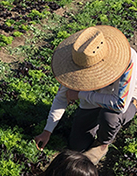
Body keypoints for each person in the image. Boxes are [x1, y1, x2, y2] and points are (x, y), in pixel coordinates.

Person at [34, 26, 137, 164]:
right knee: (77, 146)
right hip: (92, 102)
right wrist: (47, 131)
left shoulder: (127, 58)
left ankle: (102, 143)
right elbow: (62, 97)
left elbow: (120, 104)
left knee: (109, 117)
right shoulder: (77, 61)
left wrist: (80, 94)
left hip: (124, 101)